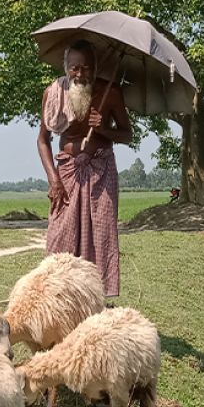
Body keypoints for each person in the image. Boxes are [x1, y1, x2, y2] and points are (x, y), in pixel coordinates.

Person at [38, 39, 132, 297]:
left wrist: (104, 128)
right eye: (75, 68)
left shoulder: (110, 92)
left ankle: (95, 298)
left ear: (95, 68)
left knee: (100, 235)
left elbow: (127, 135)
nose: (80, 74)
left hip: (101, 172)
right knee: (61, 233)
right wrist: (53, 179)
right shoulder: (53, 93)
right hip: (66, 174)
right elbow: (43, 140)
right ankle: (58, 295)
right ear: (66, 67)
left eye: (87, 68)